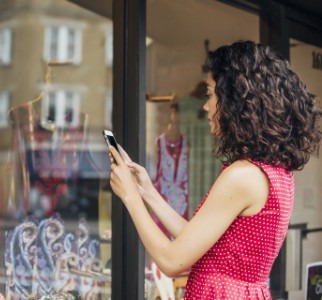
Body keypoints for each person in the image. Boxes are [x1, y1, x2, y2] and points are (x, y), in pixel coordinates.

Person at [108, 40, 321, 299]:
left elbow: (172, 260)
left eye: (210, 93)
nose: (206, 106)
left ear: (235, 100)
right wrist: (147, 192)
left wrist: (130, 198)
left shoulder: (243, 176)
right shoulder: (272, 171)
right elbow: (194, 237)